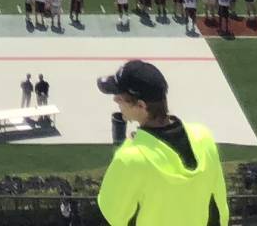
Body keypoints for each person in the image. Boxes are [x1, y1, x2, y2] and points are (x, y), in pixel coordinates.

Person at [96, 60, 228, 226]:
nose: (115, 100)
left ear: (141, 105)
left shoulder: (129, 159)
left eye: (120, 97)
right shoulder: (203, 137)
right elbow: (218, 207)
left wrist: (129, 148)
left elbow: (113, 216)